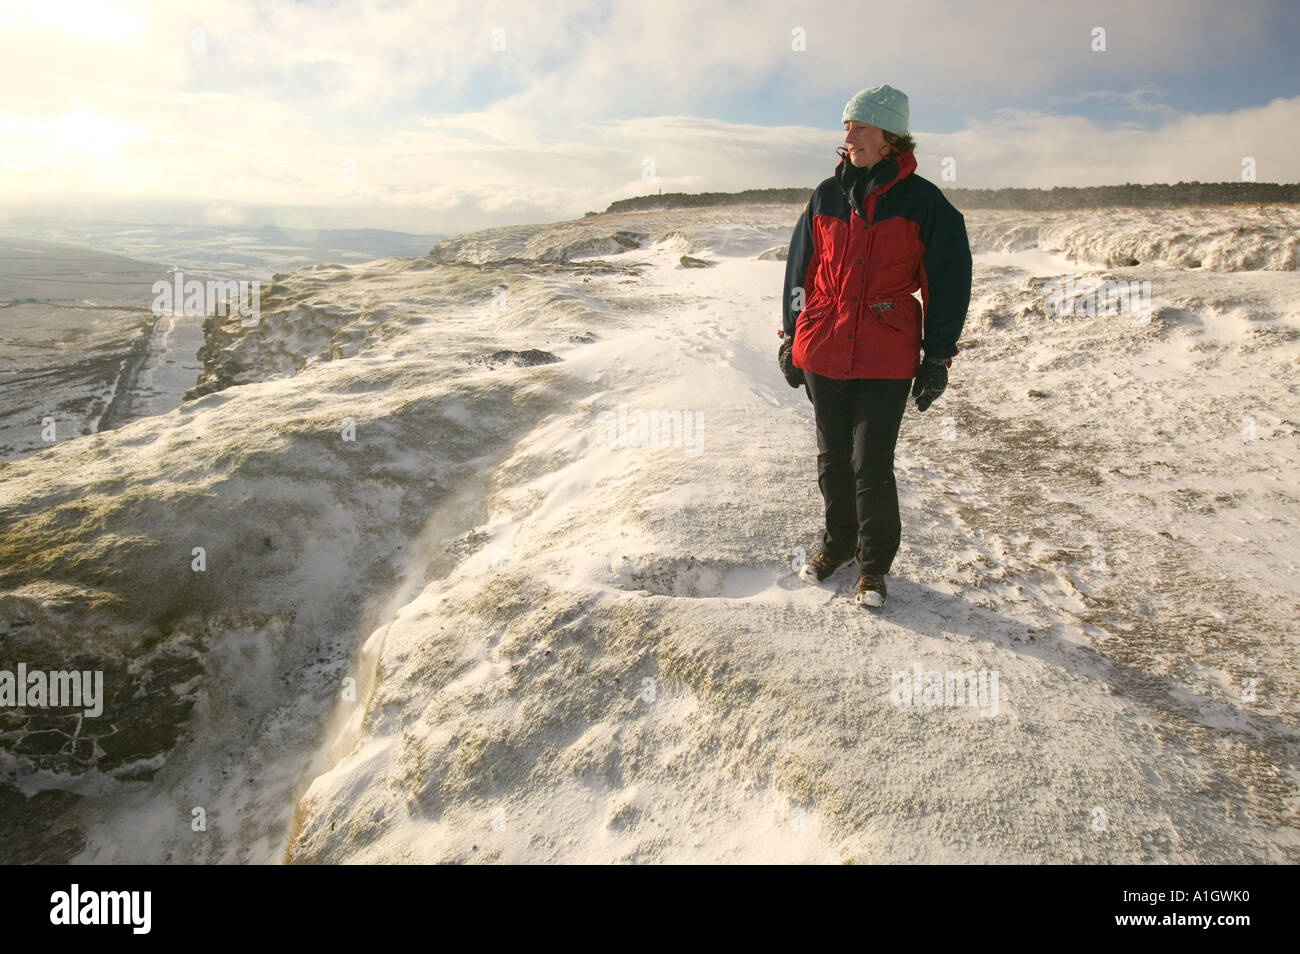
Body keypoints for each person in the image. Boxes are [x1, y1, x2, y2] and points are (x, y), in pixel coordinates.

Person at [778, 84, 972, 607]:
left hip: (885, 352)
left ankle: (873, 567)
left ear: (890, 137)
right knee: (832, 457)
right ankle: (836, 546)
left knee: (871, 462)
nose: (849, 136)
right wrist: (790, 334)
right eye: (846, 127)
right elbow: (801, 269)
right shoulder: (826, 194)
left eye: (859, 126)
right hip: (824, 344)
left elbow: (948, 279)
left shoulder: (924, 201)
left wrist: (937, 355)